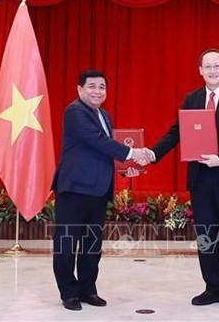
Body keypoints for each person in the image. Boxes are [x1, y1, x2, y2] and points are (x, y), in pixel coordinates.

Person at [147, 48, 219, 309]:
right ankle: (213, 288)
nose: (213, 70)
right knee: (207, 238)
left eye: (217, 66)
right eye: (208, 66)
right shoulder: (192, 98)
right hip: (201, 180)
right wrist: (152, 152)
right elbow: (176, 132)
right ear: (200, 71)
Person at [52, 69, 149, 311]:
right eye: (92, 86)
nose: (97, 91)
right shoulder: (74, 112)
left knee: (91, 246)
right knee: (66, 244)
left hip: (97, 190)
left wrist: (125, 169)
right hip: (74, 189)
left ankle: (88, 290)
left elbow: (102, 153)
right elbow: (97, 141)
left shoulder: (104, 115)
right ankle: (68, 293)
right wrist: (133, 154)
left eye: (102, 87)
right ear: (80, 89)